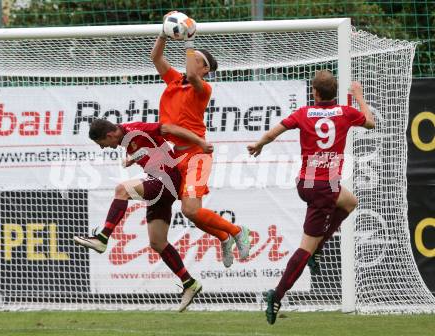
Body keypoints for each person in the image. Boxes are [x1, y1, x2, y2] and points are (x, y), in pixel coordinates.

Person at [247, 70, 375, 324]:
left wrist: (259, 144)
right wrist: (359, 96)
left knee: (350, 202)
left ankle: (315, 252)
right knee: (306, 247)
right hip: (324, 189)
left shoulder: (304, 113)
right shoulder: (345, 113)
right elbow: (370, 122)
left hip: (305, 182)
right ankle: (277, 294)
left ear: (315, 93)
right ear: (334, 93)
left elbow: (274, 133)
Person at [74, 118, 213, 312]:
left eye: (102, 144)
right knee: (157, 242)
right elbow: (151, 146)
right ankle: (189, 283)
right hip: (160, 186)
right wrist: (134, 157)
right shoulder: (125, 139)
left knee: (122, 189)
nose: (103, 148)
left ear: (109, 135)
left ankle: (102, 238)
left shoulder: (135, 129)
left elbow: (167, 128)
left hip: (165, 180)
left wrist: (200, 142)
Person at [150, 12, 250, 268]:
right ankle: (223, 236)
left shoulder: (202, 87)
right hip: (178, 155)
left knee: (190, 210)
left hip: (196, 154)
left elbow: (192, 76)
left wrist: (188, 42)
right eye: (192, 58)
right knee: (193, 214)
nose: (193, 62)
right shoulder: (174, 80)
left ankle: (237, 231)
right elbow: (156, 58)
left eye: (198, 61)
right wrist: (163, 33)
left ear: (205, 69)